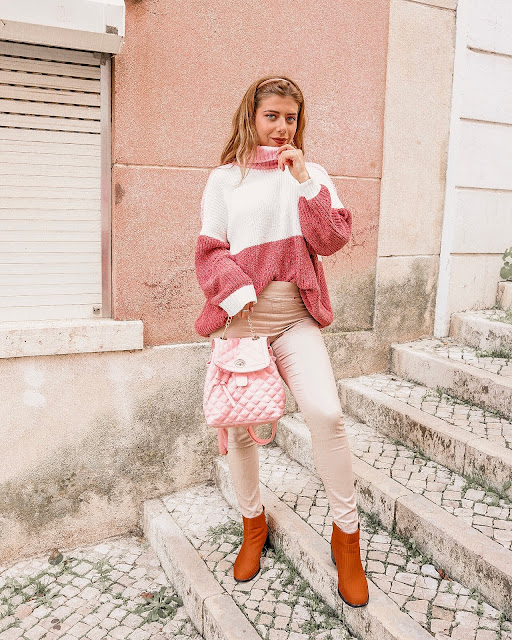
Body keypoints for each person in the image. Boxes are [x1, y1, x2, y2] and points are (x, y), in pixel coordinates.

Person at [194, 75, 369, 608]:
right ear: (251, 117)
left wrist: (305, 181)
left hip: (295, 319)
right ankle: (254, 524)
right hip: (243, 322)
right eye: (271, 115)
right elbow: (209, 253)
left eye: (290, 117)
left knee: (327, 414)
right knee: (240, 429)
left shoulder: (311, 175)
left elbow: (332, 239)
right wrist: (237, 290)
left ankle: (346, 538)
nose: (281, 127)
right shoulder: (225, 179)